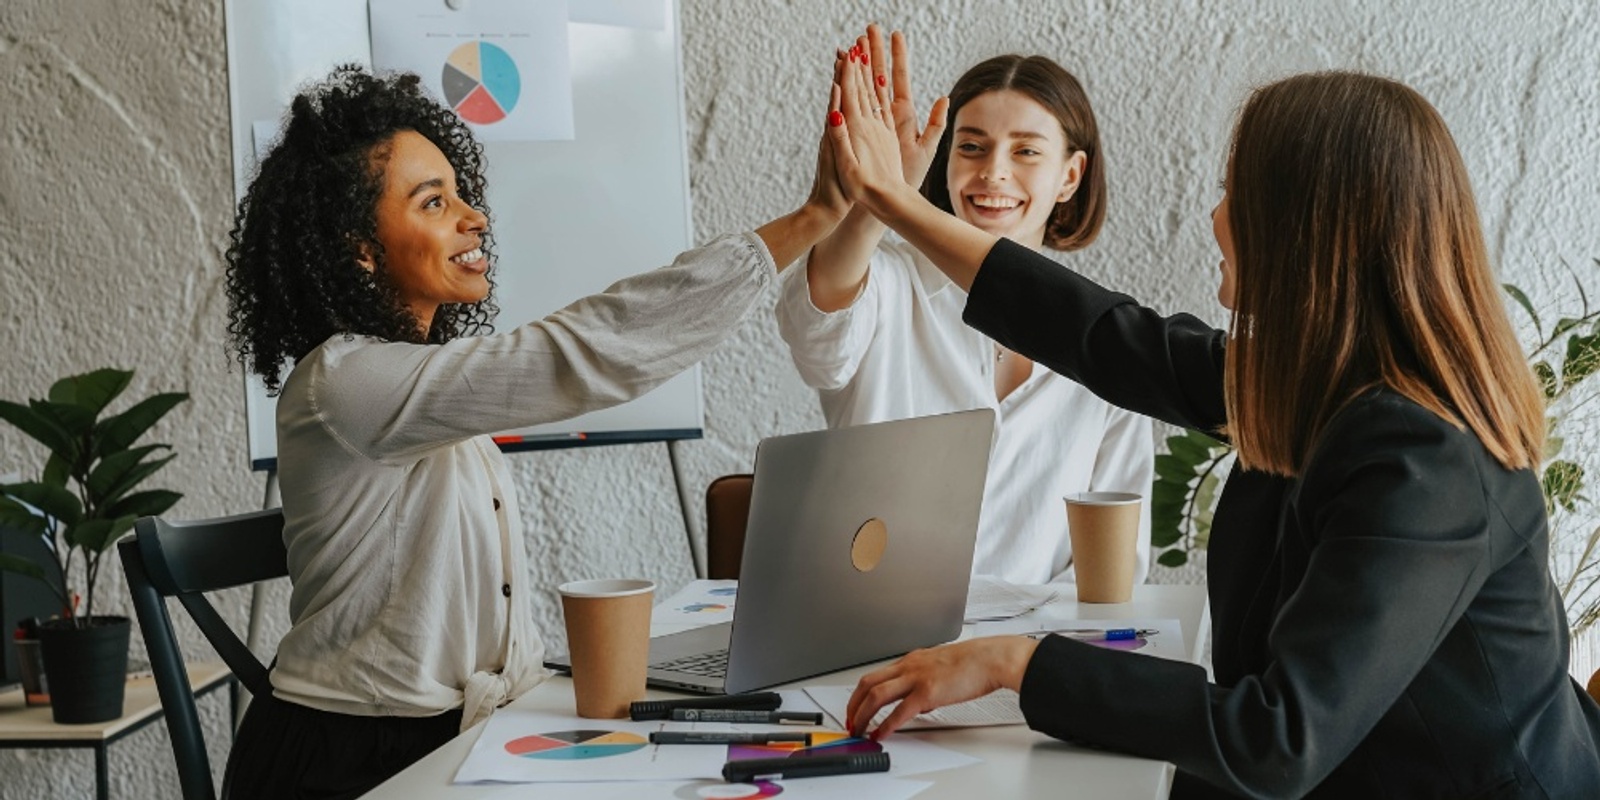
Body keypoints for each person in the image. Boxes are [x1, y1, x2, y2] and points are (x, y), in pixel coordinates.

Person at [826, 40, 1600, 799]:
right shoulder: (1319, 381)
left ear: (1306, 232)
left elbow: (1277, 740)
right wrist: (895, 202)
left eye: (1236, 194)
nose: (1216, 215)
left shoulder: (1427, 458)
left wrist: (1015, 663)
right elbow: (1101, 335)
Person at [219, 65, 848, 799]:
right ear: (359, 248)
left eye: (460, 193)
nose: (473, 216)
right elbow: (578, 353)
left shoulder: (423, 388)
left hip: (451, 737)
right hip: (348, 761)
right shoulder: (345, 382)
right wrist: (810, 219)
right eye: (433, 202)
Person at [776, 28, 1152, 585]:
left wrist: (1023, 661)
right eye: (971, 146)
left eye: (1025, 151)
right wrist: (881, 195)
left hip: (1028, 658)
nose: (993, 172)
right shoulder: (887, 283)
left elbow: (1114, 566)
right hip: (872, 646)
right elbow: (815, 330)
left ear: (1070, 176)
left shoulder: (1108, 338)